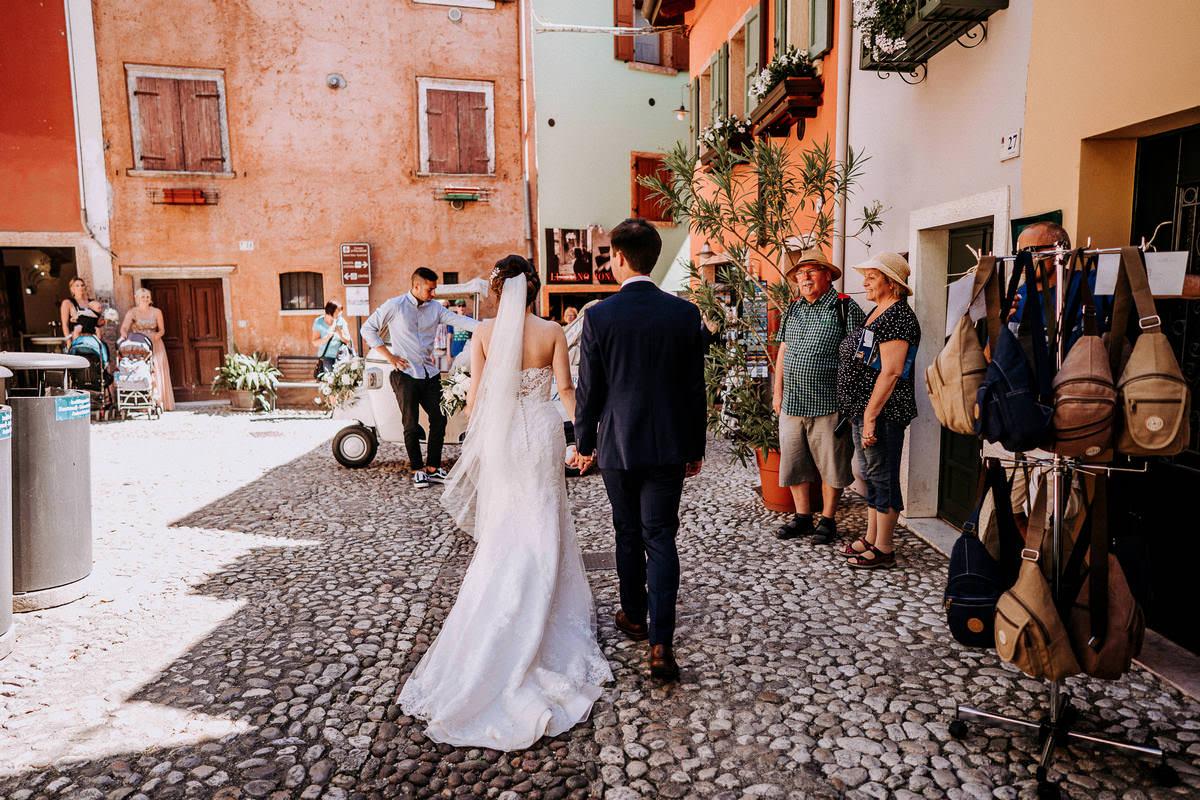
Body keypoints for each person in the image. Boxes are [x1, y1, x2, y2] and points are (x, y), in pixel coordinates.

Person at [399, 255, 611, 750]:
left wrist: (481, 438)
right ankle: (543, 606)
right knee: (544, 516)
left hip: (503, 438)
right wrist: (583, 438)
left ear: (497, 290)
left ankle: (500, 608)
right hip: (540, 432)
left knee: (506, 524)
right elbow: (565, 389)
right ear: (535, 290)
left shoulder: (484, 334)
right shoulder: (553, 331)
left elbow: (475, 401)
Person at [573, 218, 707, 682]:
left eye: (610, 255)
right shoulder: (685, 315)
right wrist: (695, 447)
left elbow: (590, 389)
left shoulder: (600, 316)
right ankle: (661, 646)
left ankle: (633, 616)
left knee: (627, 531)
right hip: (670, 445)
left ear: (621, 259)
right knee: (661, 537)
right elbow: (695, 389)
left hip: (618, 446)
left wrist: (584, 443)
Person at [771, 245, 865, 545]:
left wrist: (851, 398)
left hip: (830, 403)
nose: (805, 277)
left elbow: (859, 355)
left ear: (827, 275)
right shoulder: (793, 308)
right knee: (794, 462)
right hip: (793, 402)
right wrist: (777, 390)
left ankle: (828, 520)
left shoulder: (845, 307)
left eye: (811, 271)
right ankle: (802, 517)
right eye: (800, 273)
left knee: (832, 465)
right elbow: (783, 349)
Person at [837, 253, 921, 570]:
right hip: (863, 409)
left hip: (883, 413)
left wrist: (871, 416)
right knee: (871, 475)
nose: (865, 281)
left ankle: (884, 547)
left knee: (883, 476)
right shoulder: (878, 311)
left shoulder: (899, 316)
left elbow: (892, 371)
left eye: (872, 276)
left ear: (891, 282)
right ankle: (872, 537)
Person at [361, 267, 479, 487]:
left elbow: (462, 322)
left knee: (439, 417)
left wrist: (492, 328)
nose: (433, 294)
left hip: (429, 373)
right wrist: (390, 357)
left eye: (434, 289)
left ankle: (433, 467)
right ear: (416, 286)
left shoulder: (435, 309)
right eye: (430, 289)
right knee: (411, 424)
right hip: (404, 374)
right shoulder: (394, 306)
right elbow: (367, 329)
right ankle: (417, 470)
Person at [120, 287, 175, 412]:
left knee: (156, 369)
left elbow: (162, 330)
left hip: (155, 342)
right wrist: (124, 336)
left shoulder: (156, 312)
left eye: (147, 297)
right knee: (141, 368)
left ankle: (160, 400)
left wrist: (157, 335)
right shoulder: (132, 312)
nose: (145, 299)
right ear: (137, 298)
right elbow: (124, 327)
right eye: (142, 297)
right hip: (139, 343)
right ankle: (143, 402)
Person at [312, 300, 352, 375]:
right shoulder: (319, 322)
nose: (339, 314)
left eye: (340, 312)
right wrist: (327, 338)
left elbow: (348, 340)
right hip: (327, 357)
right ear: (330, 311)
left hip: (341, 356)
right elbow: (315, 342)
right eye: (338, 312)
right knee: (330, 381)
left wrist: (339, 332)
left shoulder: (341, 321)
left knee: (343, 381)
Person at [60, 277, 98, 343]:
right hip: (76, 338)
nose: (80, 287)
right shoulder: (67, 303)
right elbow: (65, 325)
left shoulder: (92, 303)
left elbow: (97, 322)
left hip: (92, 338)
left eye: (82, 285)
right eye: (77, 286)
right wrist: (68, 342)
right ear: (72, 289)